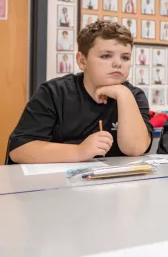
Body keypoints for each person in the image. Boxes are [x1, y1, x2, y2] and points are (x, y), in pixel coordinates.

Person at [7, 21, 152, 164]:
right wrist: (80, 151)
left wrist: (123, 94)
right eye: (106, 56)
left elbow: (135, 149)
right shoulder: (54, 92)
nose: (118, 63)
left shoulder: (134, 96)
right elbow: (20, 150)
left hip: (113, 183)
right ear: (82, 61)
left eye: (125, 57)